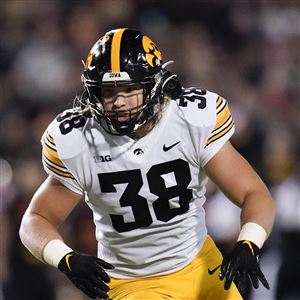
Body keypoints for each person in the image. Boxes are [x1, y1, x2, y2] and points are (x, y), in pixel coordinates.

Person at [19, 28, 275, 300]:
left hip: (200, 263)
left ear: (154, 85)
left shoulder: (189, 121)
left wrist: (249, 242)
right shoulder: (81, 140)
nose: (118, 102)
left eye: (129, 89)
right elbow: (35, 219)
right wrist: (65, 258)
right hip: (132, 282)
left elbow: (254, 194)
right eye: (109, 91)